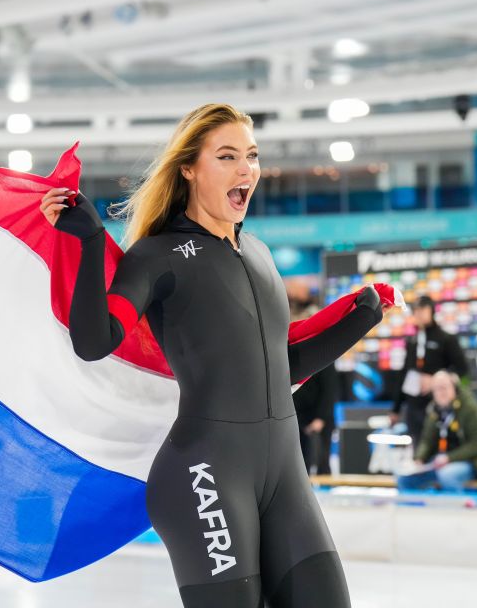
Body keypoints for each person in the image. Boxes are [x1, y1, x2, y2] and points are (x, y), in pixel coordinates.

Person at [42, 103, 393, 607]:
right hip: (203, 474)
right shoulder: (156, 256)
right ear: (189, 167)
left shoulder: (259, 253)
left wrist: (361, 319)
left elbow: (282, 368)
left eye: (250, 156)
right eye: (227, 156)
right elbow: (94, 341)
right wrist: (93, 241)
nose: (245, 169)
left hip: (283, 476)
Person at [397, 371, 477, 492]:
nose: (441, 392)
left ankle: (455, 509)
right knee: (405, 479)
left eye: (444, 387)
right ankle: (413, 509)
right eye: (436, 389)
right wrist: (419, 459)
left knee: (447, 475)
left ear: (454, 387)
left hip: (470, 461)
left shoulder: (471, 408)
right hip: (438, 462)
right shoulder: (434, 410)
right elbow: (427, 441)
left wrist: (449, 458)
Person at [390, 295, 468, 446]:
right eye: (416, 310)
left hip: (439, 403)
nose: (419, 314)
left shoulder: (446, 339)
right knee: (418, 446)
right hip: (414, 405)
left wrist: (436, 381)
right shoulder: (411, 342)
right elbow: (404, 375)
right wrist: (395, 409)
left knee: (438, 443)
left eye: (423, 310)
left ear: (431, 311)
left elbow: (463, 370)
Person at [294, 362, 342, 475]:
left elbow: (330, 391)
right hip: (299, 417)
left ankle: (325, 489)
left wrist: (321, 418)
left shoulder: (325, 360)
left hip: (320, 418)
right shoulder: (296, 360)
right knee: (300, 461)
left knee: (322, 460)